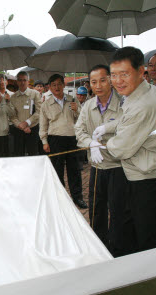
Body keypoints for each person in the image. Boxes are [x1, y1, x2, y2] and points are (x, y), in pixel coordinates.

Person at [103, 46, 156, 253]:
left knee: (148, 246)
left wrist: (105, 142)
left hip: (152, 183)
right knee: (130, 236)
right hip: (146, 175)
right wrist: (110, 128)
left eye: (124, 74)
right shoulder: (144, 91)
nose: (118, 81)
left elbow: (120, 149)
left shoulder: (144, 104)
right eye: (114, 75)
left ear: (140, 71)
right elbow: (125, 122)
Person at [74, 64, 129, 257]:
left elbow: (130, 130)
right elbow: (79, 131)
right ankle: (98, 247)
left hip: (118, 165)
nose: (98, 85)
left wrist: (109, 130)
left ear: (111, 80)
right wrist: (91, 143)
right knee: (97, 209)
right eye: (93, 82)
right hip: (97, 166)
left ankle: (117, 249)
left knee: (118, 210)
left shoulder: (124, 103)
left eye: (103, 80)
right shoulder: (88, 106)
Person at [39, 74, 88, 209]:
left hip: (72, 139)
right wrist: (44, 141)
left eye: (59, 84)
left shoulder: (73, 100)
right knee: (57, 170)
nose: (57, 87)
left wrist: (77, 110)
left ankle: (77, 197)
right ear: (49, 87)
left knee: (75, 170)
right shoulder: (46, 104)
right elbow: (43, 124)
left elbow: (82, 119)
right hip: (55, 139)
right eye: (53, 85)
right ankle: (59, 199)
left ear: (64, 85)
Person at [9, 71, 42, 156]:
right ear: (17, 82)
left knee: (33, 155)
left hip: (32, 129)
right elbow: (12, 116)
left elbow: (39, 111)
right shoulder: (13, 97)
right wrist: (20, 125)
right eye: (20, 80)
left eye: (24, 80)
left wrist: (27, 122)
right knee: (18, 155)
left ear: (28, 81)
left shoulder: (35, 94)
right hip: (18, 130)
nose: (22, 82)